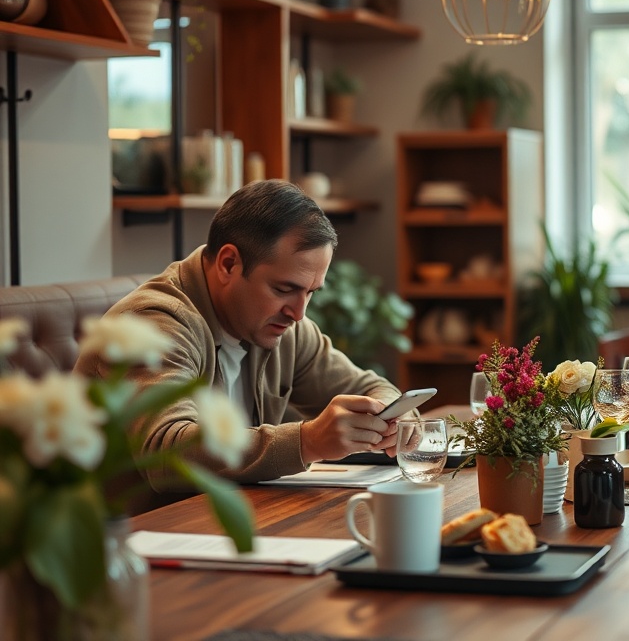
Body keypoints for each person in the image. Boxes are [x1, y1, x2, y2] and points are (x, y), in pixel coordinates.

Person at [75, 180, 406, 490]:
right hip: (130, 539)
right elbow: (167, 453)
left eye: (310, 292)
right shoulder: (151, 324)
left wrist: (394, 416)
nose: (299, 313)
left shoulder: (281, 325)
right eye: (284, 288)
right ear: (229, 263)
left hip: (226, 526)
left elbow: (366, 388)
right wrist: (307, 442)